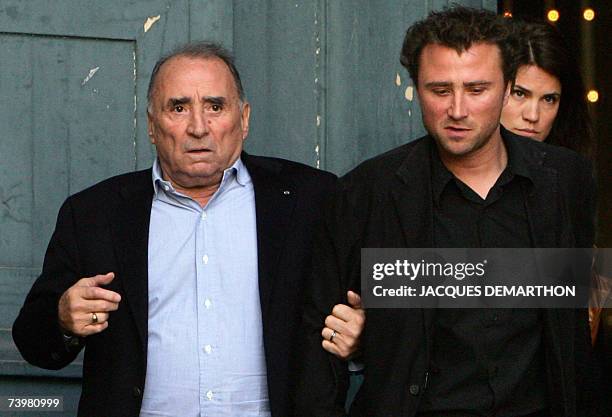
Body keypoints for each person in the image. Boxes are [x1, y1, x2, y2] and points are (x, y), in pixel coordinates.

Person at [296, 6, 596, 417]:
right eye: (439, 90)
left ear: (508, 88)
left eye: (476, 89)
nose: (457, 109)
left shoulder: (565, 180)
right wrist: (375, 330)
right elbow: (322, 344)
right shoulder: (365, 193)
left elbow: (571, 329)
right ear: (417, 89)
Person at [12, 41, 336, 417]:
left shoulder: (312, 199)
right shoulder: (93, 214)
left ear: (243, 119)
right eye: (178, 108)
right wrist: (64, 319)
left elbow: (375, 309)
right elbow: (33, 341)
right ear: (152, 126)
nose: (198, 127)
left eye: (215, 106)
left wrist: (362, 333)